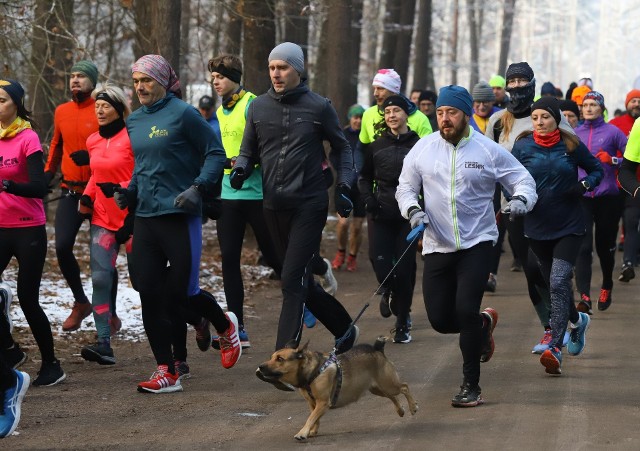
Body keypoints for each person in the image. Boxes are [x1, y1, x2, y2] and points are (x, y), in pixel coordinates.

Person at [396, 85, 538, 406]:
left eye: (452, 113)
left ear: (465, 115)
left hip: (478, 243)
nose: (445, 119)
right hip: (436, 244)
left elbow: (522, 179)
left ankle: (470, 385)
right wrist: (413, 209)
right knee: (441, 321)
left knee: (464, 310)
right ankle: (483, 324)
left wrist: (520, 199)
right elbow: (405, 186)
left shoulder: (487, 150)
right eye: (441, 113)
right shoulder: (423, 148)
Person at [117, 54, 241, 393]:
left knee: (180, 292)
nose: (141, 86)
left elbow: (215, 153)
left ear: (163, 82)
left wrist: (197, 188)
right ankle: (166, 371)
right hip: (146, 216)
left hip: (180, 214)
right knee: (148, 293)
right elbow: (142, 166)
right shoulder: (135, 120)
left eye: (147, 80)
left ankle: (222, 325)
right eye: (137, 81)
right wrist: (129, 193)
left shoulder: (184, 114)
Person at [232, 42, 359, 360]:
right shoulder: (258, 107)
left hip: (309, 203)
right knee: (297, 276)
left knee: (290, 278)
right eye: (272, 67)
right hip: (273, 204)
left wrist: (344, 186)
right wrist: (240, 169)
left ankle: (284, 356)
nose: (276, 73)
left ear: (298, 70)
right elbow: (249, 150)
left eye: (283, 67)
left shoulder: (318, 107)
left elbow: (342, 148)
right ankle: (344, 328)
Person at [486, 62, 574, 354]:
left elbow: (574, 155)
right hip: (514, 208)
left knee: (548, 270)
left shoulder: (549, 116)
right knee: (532, 272)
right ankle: (556, 324)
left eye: (522, 81)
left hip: (551, 207)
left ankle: (560, 326)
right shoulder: (498, 121)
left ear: (532, 84)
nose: (516, 87)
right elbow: (487, 166)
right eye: (511, 81)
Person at [511, 96, 602, 375]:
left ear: (556, 119)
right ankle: (578, 320)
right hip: (537, 226)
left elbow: (597, 169)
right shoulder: (523, 146)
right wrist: (515, 199)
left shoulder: (571, 144)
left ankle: (555, 349)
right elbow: (508, 176)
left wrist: (585, 183)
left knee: (559, 279)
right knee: (556, 287)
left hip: (569, 226)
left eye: (545, 117)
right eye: (535, 118)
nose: (539, 122)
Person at [207, 54, 281, 349]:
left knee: (274, 258)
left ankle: (308, 297)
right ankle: (238, 325)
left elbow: (269, 147)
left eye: (220, 77)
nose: (215, 82)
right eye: (213, 78)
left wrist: (247, 164)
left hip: (258, 194)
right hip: (229, 194)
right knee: (229, 260)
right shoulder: (221, 110)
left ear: (235, 78)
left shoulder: (253, 103)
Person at [0, 79, 66, 386]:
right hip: (1, 228)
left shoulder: (27, 138)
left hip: (28, 228)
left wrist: (8, 186)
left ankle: (52, 365)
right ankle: (11, 350)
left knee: (28, 298)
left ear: (15, 104)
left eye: (1, 100)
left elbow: (40, 188)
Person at [75, 84, 134, 365]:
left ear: (119, 109)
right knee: (100, 278)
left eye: (105, 105)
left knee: (144, 281)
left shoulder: (132, 137)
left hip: (134, 218)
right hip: (102, 219)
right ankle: (103, 342)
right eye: (97, 105)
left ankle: (190, 321)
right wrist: (87, 195)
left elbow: (141, 176)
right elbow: (96, 175)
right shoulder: (92, 141)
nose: (99, 109)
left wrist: (120, 187)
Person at [358, 95, 419, 343]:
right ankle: (389, 290)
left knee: (405, 270)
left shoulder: (420, 145)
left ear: (406, 114)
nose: (391, 115)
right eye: (388, 112)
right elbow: (363, 177)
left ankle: (402, 322)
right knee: (379, 260)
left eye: (396, 110)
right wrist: (368, 199)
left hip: (408, 215)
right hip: (381, 212)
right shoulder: (376, 145)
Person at [44, 60, 99, 332]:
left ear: (93, 82)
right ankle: (80, 302)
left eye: (81, 76)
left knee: (102, 257)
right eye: (73, 75)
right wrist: (46, 176)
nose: (75, 80)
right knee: (62, 246)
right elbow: (56, 145)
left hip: (99, 192)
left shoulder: (101, 109)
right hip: (69, 190)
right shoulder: (62, 111)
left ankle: (107, 313)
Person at [574, 91, 628, 313]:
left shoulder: (613, 132)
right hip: (583, 197)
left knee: (604, 248)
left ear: (602, 108)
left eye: (593, 105)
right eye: (585, 105)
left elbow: (632, 159)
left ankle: (607, 284)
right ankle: (584, 297)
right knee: (583, 247)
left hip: (608, 197)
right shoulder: (574, 133)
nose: (588, 108)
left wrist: (612, 159)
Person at [331, 104, 366, 272]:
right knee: (343, 223)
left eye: (361, 117)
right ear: (350, 118)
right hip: (344, 184)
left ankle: (352, 256)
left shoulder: (366, 137)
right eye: (355, 117)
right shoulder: (342, 135)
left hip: (361, 186)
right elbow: (333, 155)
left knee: (358, 226)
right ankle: (340, 252)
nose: (358, 121)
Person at [359, 68, 432, 145]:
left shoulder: (420, 119)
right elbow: (361, 147)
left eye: (380, 89)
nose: (375, 94)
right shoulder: (368, 114)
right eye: (375, 89)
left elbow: (428, 151)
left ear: (394, 92)